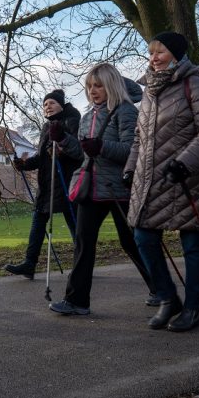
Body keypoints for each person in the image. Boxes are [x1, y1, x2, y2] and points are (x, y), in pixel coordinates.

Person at [126, 31, 199, 332]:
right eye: (151, 52)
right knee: (143, 236)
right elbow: (140, 137)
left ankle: (192, 308)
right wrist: (130, 168)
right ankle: (168, 298)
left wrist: (184, 163)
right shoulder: (150, 92)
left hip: (189, 177)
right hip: (152, 179)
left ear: (176, 55)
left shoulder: (195, 83)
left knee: (192, 243)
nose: (153, 58)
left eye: (160, 52)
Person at [48, 63, 155, 315]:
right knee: (83, 243)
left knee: (132, 242)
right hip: (92, 187)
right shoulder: (87, 117)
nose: (92, 91)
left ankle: (161, 290)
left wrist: (102, 147)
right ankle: (77, 301)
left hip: (119, 187)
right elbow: (83, 153)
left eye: (98, 86)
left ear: (111, 86)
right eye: (89, 86)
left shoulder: (126, 111)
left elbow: (132, 150)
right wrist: (62, 139)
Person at [4, 89, 81, 279]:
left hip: (67, 182)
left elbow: (79, 151)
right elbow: (41, 157)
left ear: (61, 105)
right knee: (38, 222)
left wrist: (61, 152)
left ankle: (82, 264)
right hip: (47, 184)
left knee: (75, 225)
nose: (48, 107)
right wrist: (25, 164)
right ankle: (29, 264)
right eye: (45, 104)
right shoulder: (46, 127)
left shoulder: (72, 121)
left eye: (52, 103)